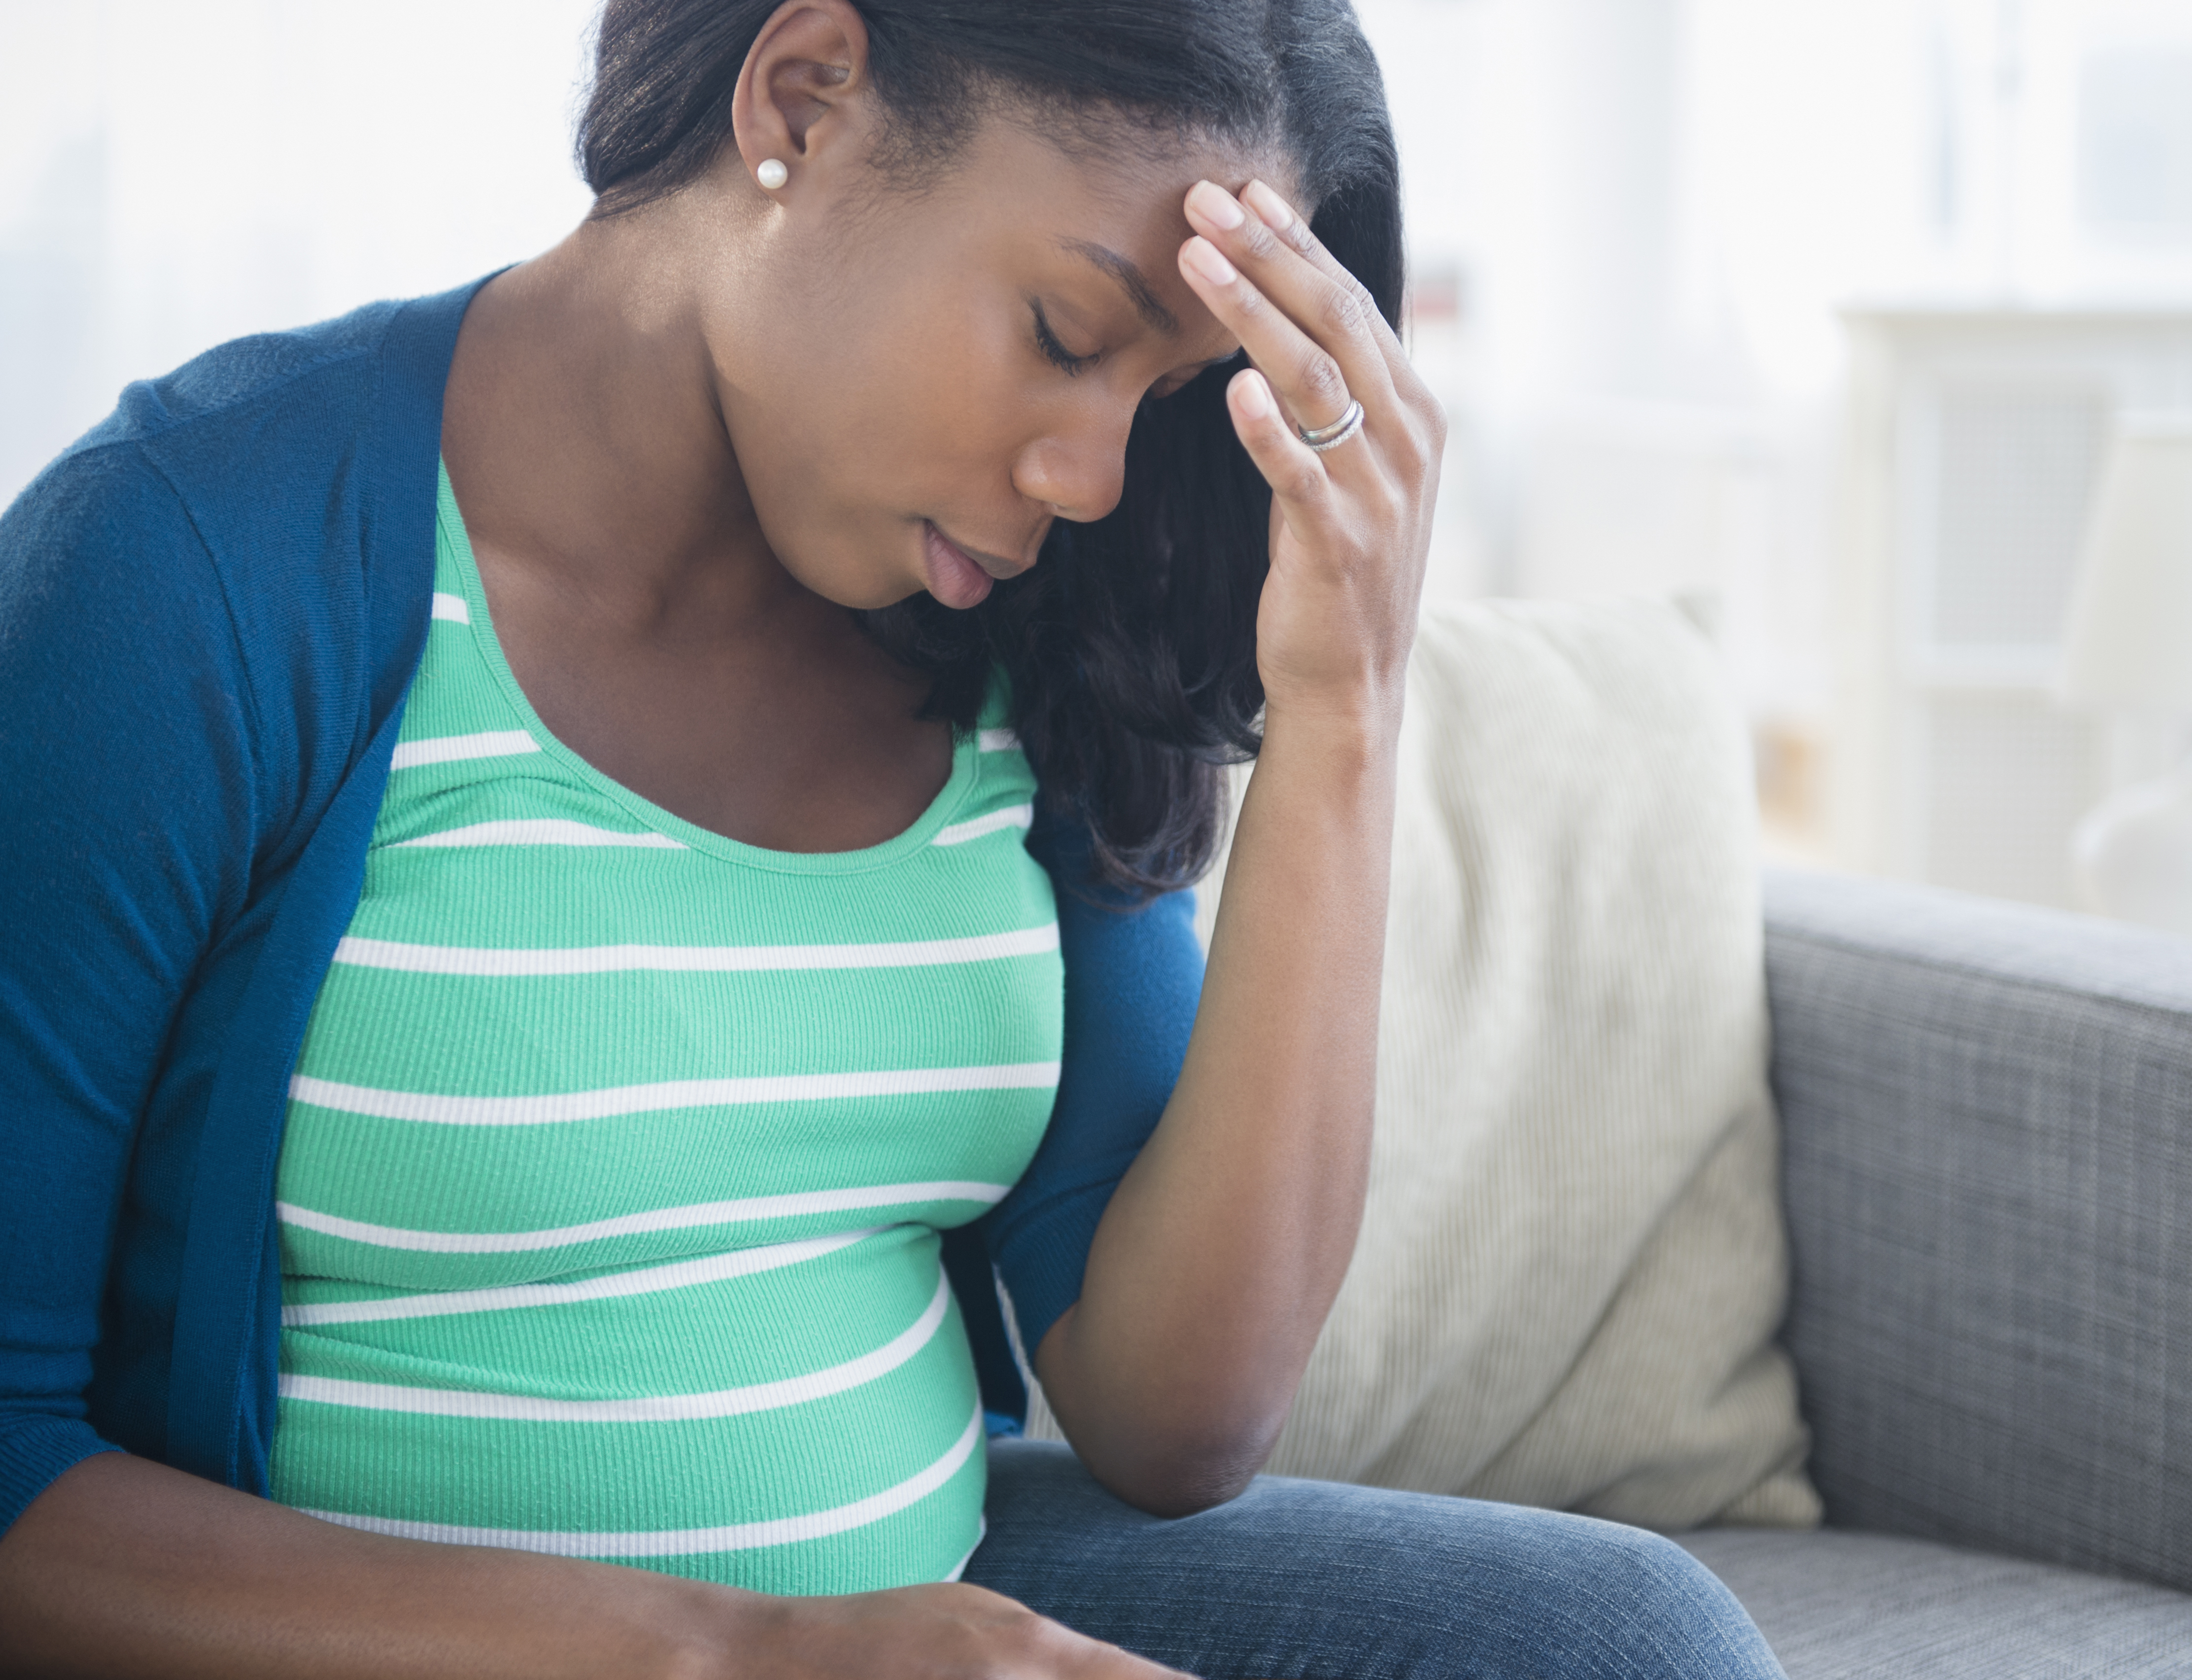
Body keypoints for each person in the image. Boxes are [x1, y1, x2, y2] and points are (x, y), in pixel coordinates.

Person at [0, 2, 1788, 1676]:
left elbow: (1182, 1419)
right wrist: (736, 1655)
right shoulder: (182, 569)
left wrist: (1346, 707)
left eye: (1158, 401)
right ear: (802, 100)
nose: (1092, 476)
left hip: (912, 1613)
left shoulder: (1008, 624)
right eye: (1064, 336)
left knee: (1624, 1638)